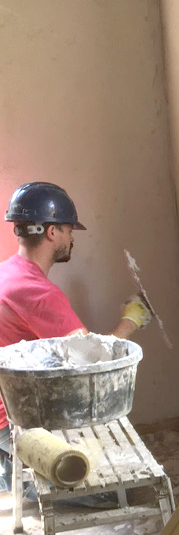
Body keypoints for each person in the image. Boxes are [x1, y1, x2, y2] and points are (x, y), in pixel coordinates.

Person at [0, 181, 151, 492]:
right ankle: (25, 479)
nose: (71, 238)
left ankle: (10, 470)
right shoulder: (39, 293)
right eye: (69, 230)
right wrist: (131, 320)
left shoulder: (8, 271)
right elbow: (95, 365)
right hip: (11, 420)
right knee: (115, 493)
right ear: (52, 232)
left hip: (7, 406)